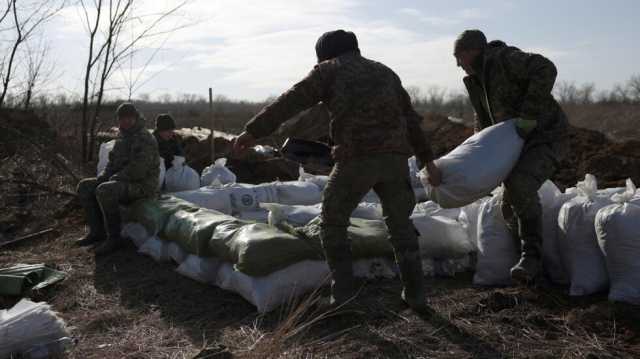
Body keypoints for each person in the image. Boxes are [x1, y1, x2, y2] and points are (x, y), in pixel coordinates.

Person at [233, 30, 441, 313]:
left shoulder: (328, 70)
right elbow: (411, 121)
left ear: (325, 54)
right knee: (401, 225)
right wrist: (427, 160)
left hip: (356, 159)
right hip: (395, 161)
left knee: (332, 222)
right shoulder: (386, 72)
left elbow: (291, 101)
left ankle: (344, 297)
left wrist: (252, 132)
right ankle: (416, 296)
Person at [453, 29, 568, 283]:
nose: (457, 64)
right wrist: (478, 159)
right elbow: (483, 124)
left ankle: (532, 257)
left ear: (472, 51)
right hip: (515, 144)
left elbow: (545, 68)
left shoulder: (504, 59)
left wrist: (529, 114)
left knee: (520, 186)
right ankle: (525, 265)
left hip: (545, 136)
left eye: (459, 56)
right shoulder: (477, 81)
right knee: (507, 204)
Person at [76, 103, 160, 255]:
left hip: (143, 185)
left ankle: (114, 238)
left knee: (106, 190)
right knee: (85, 186)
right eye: (122, 119)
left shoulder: (145, 138)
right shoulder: (122, 136)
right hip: (124, 181)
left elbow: (138, 170)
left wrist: (115, 178)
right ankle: (96, 232)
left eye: (129, 118)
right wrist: (103, 177)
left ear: (135, 118)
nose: (126, 121)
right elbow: (113, 162)